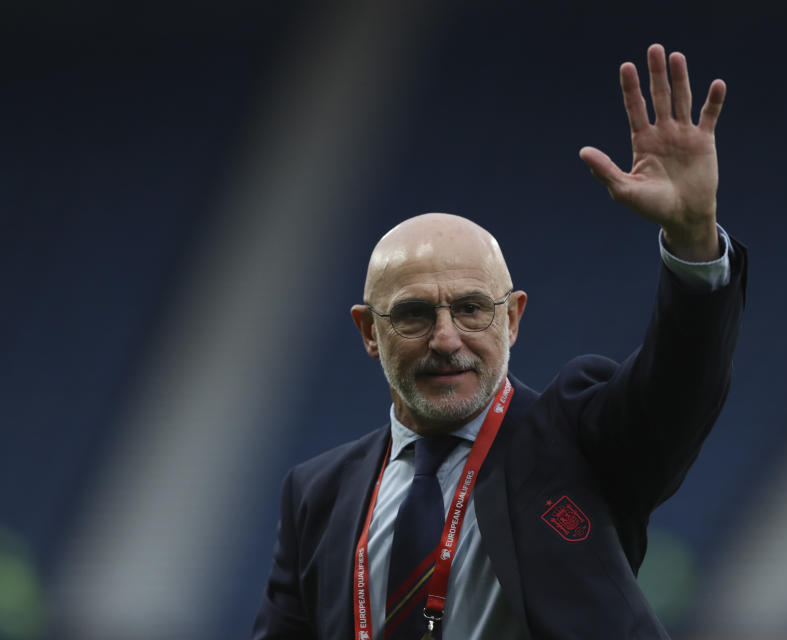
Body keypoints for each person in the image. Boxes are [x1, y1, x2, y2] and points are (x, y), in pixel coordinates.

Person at [253, 43, 747, 639]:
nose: (445, 338)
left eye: (470, 309)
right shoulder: (317, 495)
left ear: (512, 319)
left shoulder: (576, 440)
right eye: (412, 314)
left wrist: (693, 239)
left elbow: (678, 388)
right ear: (368, 331)